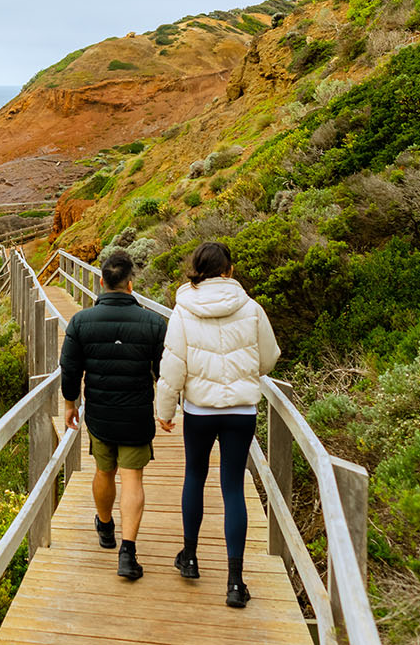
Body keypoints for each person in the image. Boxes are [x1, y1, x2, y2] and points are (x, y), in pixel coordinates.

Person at [154, 241, 279, 609]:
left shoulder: (183, 310)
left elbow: (172, 366)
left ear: (198, 269)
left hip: (199, 410)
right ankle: (236, 582)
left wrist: (166, 411)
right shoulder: (251, 308)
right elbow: (269, 358)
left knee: (194, 476)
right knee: (232, 490)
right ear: (228, 270)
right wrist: (242, 375)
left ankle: (190, 558)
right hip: (241, 411)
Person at [60, 249, 168, 580]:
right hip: (137, 413)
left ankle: (105, 527)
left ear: (103, 283)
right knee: (132, 478)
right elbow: (164, 371)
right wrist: (166, 408)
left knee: (104, 471)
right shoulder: (153, 322)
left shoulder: (80, 321)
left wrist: (70, 404)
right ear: (130, 285)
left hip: (100, 414)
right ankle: (128, 552)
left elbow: (70, 367)